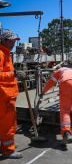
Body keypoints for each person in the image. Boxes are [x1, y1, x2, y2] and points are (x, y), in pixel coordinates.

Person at [42, 67, 72, 144]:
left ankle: (66, 133)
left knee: (65, 110)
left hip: (66, 83)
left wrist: (43, 91)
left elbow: (51, 82)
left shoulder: (60, 70)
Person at [0, 31, 26, 159]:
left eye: (15, 41)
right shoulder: (1, 54)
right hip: (3, 96)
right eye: (11, 41)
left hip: (5, 94)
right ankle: (8, 150)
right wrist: (14, 74)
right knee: (8, 124)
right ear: (3, 40)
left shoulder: (6, 53)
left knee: (3, 124)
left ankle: (4, 146)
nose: (14, 43)